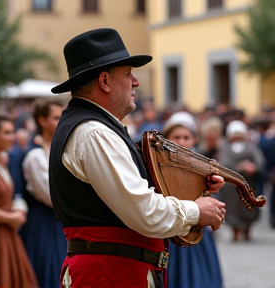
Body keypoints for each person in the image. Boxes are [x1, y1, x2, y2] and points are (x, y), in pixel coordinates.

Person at [49, 28, 226, 288]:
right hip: (109, 273)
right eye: (128, 73)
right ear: (105, 81)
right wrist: (196, 210)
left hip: (114, 270)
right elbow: (144, 213)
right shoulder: (94, 132)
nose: (136, 82)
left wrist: (191, 184)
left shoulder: (95, 128)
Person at [161, 111, 224, 288]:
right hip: (171, 232)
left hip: (198, 232)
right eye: (176, 137)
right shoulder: (157, 167)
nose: (182, 141)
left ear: (194, 140)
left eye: (186, 137)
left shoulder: (203, 166)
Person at [0, 112, 38, 288]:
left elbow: (12, 193)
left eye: (12, 132)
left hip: (5, 231)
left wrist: (18, 210)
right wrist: (10, 218)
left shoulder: (0, 161)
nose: (12, 137)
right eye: (7, 133)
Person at [19, 99, 66, 288]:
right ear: (42, 120)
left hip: (63, 223)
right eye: (56, 117)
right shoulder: (35, 155)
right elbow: (51, 197)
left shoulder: (64, 149)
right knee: (51, 273)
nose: (62, 121)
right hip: (45, 224)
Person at [218, 120, 266, 241]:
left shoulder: (251, 148)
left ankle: (247, 230)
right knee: (232, 209)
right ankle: (235, 230)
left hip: (248, 184)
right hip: (231, 187)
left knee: (248, 207)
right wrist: (239, 167)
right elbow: (223, 164)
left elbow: (260, 162)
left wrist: (253, 167)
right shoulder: (226, 149)